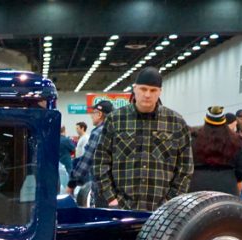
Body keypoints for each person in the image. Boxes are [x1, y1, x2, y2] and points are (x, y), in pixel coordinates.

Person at [93, 67, 192, 211]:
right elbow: (101, 161)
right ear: (134, 89)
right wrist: (112, 198)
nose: (147, 94)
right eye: (143, 89)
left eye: (153, 90)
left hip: (162, 213)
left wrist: (171, 202)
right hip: (121, 209)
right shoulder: (115, 119)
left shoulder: (176, 122)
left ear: (160, 92)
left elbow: (185, 168)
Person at [189, 107, 242, 196]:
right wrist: (233, 177)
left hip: (198, 185)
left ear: (206, 121)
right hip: (227, 185)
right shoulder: (235, 140)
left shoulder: (194, 139)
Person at [67, 100, 114, 206]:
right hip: (118, 187)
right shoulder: (117, 130)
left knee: (103, 218)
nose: (91, 116)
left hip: (103, 187)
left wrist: (72, 183)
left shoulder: (98, 132)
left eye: (93, 113)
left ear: (99, 114)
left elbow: (86, 161)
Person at [59, 126, 76, 191]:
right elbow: (73, 148)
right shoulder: (66, 140)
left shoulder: (54, 139)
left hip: (58, 163)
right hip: (66, 162)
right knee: (68, 179)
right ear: (64, 131)